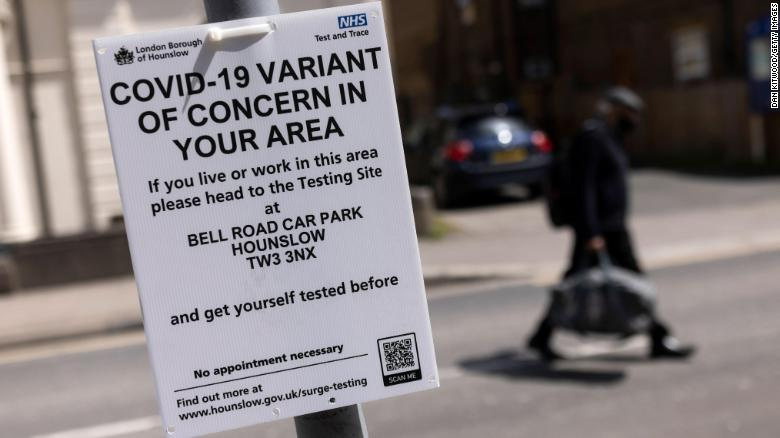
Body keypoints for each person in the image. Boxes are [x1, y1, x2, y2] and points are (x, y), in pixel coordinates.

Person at [527, 87, 696, 361]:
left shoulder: (609, 138)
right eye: (630, 114)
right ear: (614, 111)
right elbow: (585, 188)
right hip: (601, 230)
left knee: (583, 281)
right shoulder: (594, 138)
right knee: (626, 282)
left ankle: (542, 335)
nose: (635, 121)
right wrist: (592, 232)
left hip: (611, 227)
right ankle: (659, 337)